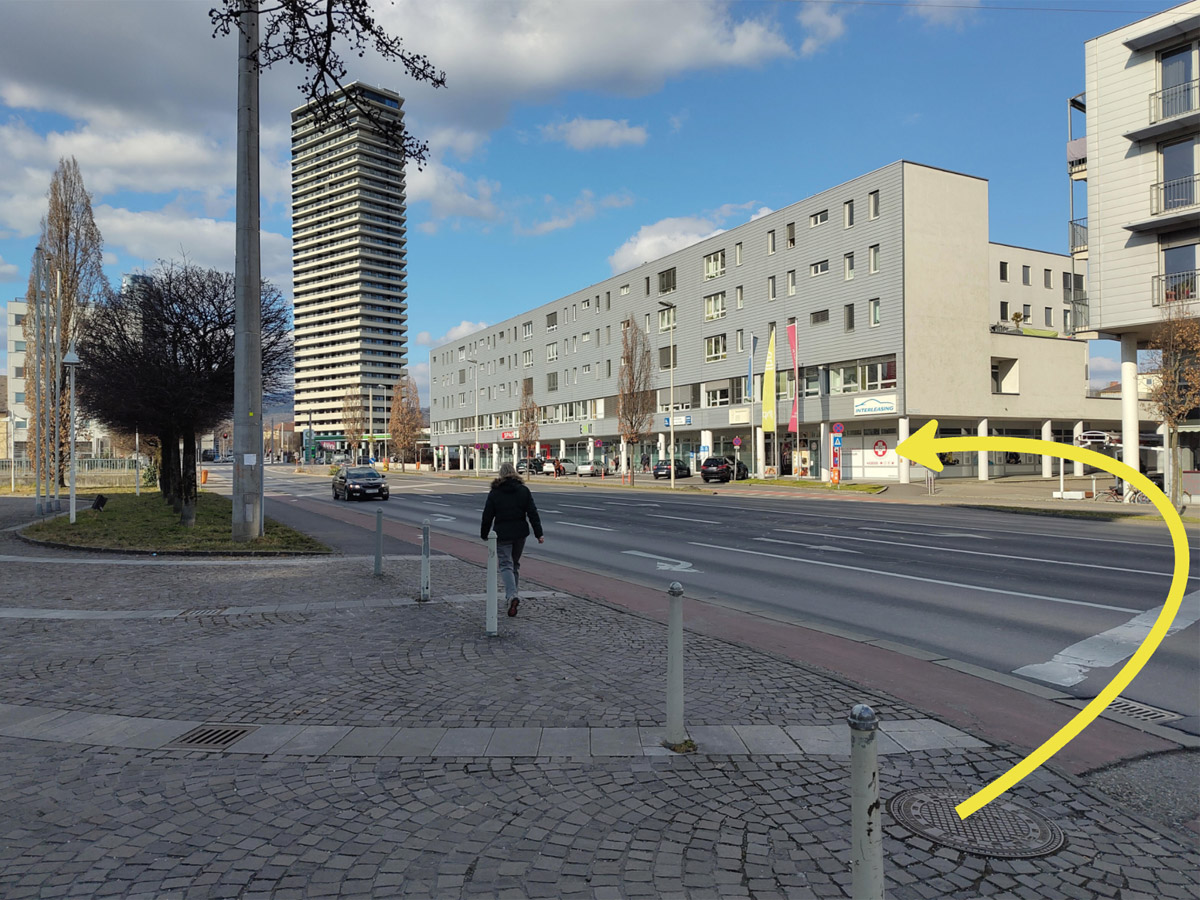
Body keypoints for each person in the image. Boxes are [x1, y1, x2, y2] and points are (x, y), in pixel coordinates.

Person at [480, 462, 544, 617]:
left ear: (501, 474)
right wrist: (539, 534)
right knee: (514, 564)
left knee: (505, 565)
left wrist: (484, 533)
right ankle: (513, 594)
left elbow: (487, 515)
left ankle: (512, 595)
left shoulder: (495, 492)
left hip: (502, 534)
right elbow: (532, 513)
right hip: (520, 533)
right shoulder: (523, 490)